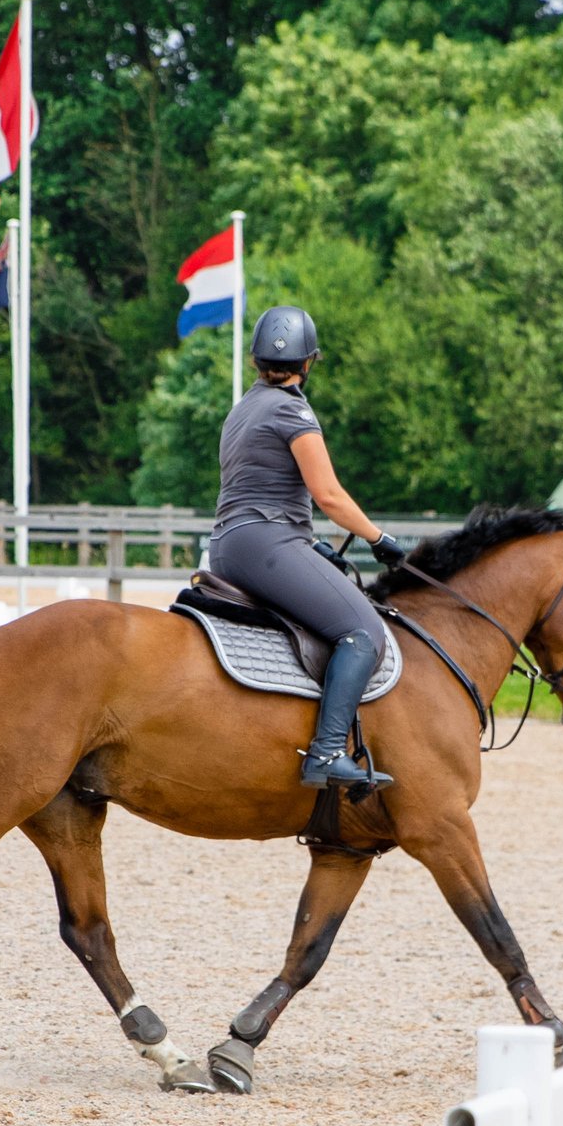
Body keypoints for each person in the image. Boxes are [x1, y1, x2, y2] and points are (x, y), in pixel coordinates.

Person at [209, 307, 410, 792]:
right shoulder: (292, 410)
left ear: (256, 360)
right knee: (362, 630)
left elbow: (263, 489)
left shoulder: (243, 410)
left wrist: (316, 544)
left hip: (229, 544)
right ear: (311, 361)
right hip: (267, 543)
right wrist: (380, 539)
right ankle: (324, 753)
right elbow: (329, 495)